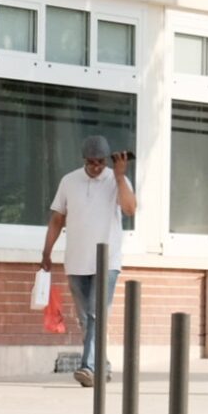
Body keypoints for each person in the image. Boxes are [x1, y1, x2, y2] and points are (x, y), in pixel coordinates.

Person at [41, 135, 133, 388]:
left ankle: (88, 367)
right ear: (84, 160)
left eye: (100, 162)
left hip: (107, 261)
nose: (96, 167)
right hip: (76, 260)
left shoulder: (117, 180)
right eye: (91, 162)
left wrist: (119, 176)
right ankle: (102, 365)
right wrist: (46, 252)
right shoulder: (69, 181)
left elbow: (130, 209)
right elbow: (57, 219)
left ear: (107, 160)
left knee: (95, 314)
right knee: (86, 319)